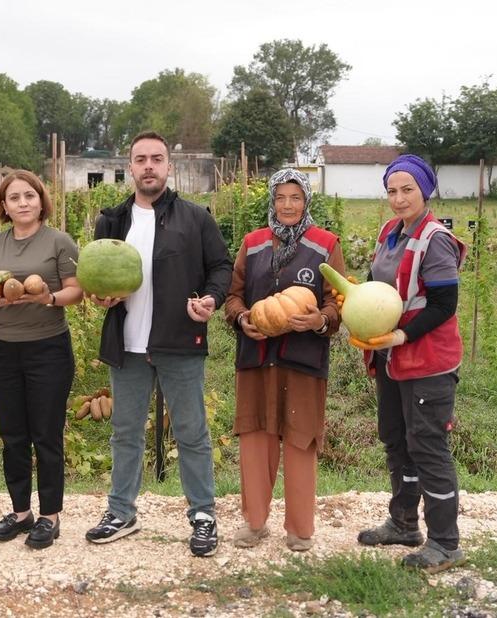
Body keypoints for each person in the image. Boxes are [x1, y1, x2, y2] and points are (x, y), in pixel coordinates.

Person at [84, 131, 233, 557]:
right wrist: (98, 296)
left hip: (180, 340)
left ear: (169, 166)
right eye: (140, 159)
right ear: (130, 167)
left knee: (191, 432)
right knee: (125, 432)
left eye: (157, 158)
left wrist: (211, 299)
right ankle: (121, 511)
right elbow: (97, 281)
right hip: (127, 344)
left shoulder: (195, 218)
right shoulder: (111, 221)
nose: (149, 166)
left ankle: (203, 515)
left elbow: (220, 267)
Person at [346, 154, 467, 573]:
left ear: (425, 190)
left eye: (407, 190)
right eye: (392, 191)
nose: (398, 199)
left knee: (428, 446)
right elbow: (379, 290)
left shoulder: (435, 240)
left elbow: (444, 304)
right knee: (397, 441)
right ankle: (403, 523)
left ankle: (446, 543)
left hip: (427, 361)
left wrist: (402, 334)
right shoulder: (389, 233)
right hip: (392, 358)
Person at [223, 168, 345, 552]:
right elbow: (233, 296)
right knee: (255, 439)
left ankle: (299, 529)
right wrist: (243, 319)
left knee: (299, 439)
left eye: (295, 197)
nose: (288, 205)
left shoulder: (326, 244)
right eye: (280, 198)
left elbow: (339, 300)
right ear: (272, 202)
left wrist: (320, 319)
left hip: (303, 359)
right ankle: (255, 523)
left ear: (306, 201)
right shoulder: (253, 242)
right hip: (257, 358)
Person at [0, 169, 83, 550]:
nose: (22, 203)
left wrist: (47, 298)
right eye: (14, 197)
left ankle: (49, 515)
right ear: (4, 205)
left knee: (46, 434)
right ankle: (20, 512)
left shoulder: (60, 241)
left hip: (48, 347)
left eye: (29, 196)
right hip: (5, 349)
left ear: (41, 200)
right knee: (12, 435)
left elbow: (76, 291)